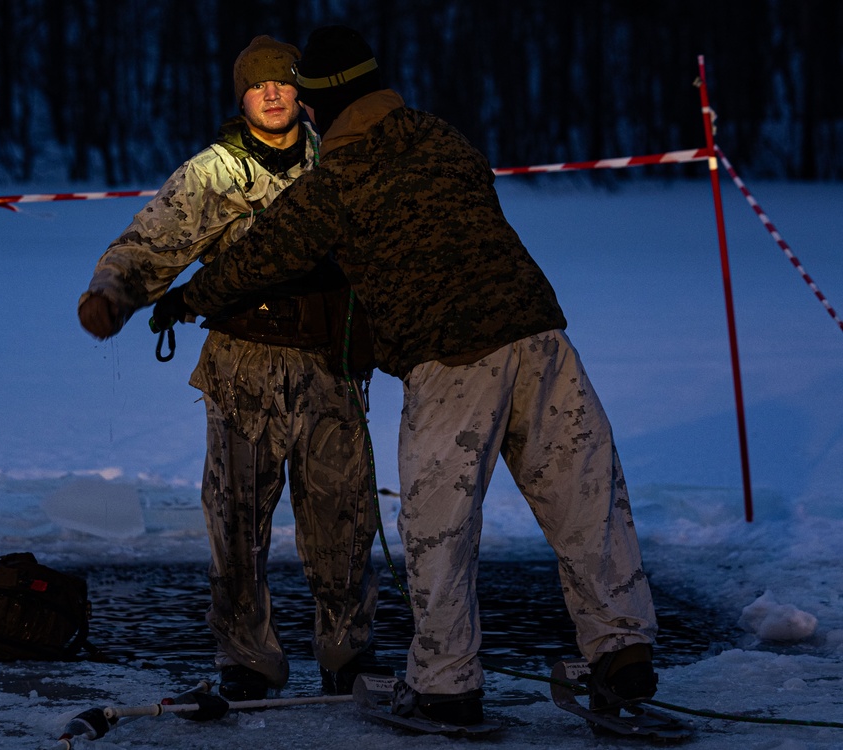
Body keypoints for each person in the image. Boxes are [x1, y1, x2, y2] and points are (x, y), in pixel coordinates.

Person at [157, 25, 660, 727]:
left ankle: (446, 686)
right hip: (542, 338)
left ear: (321, 104)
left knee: (438, 528)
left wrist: (186, 299)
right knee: (587, 505)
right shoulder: (446, 139)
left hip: (453, 358)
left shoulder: (339, 178)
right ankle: (621, 653)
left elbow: (263, 255)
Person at [77, 34, 389, 701]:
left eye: (284, 82)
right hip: (245, 368)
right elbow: (150, 242)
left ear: (302, 91)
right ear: (242, 96)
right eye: (259, 84)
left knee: (345, 515)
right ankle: (247, 659)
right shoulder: (214, 173)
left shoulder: (338, 161)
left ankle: (348, 652)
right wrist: (112, 294)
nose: (273, 93)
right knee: (236, 518)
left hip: (331, 365)